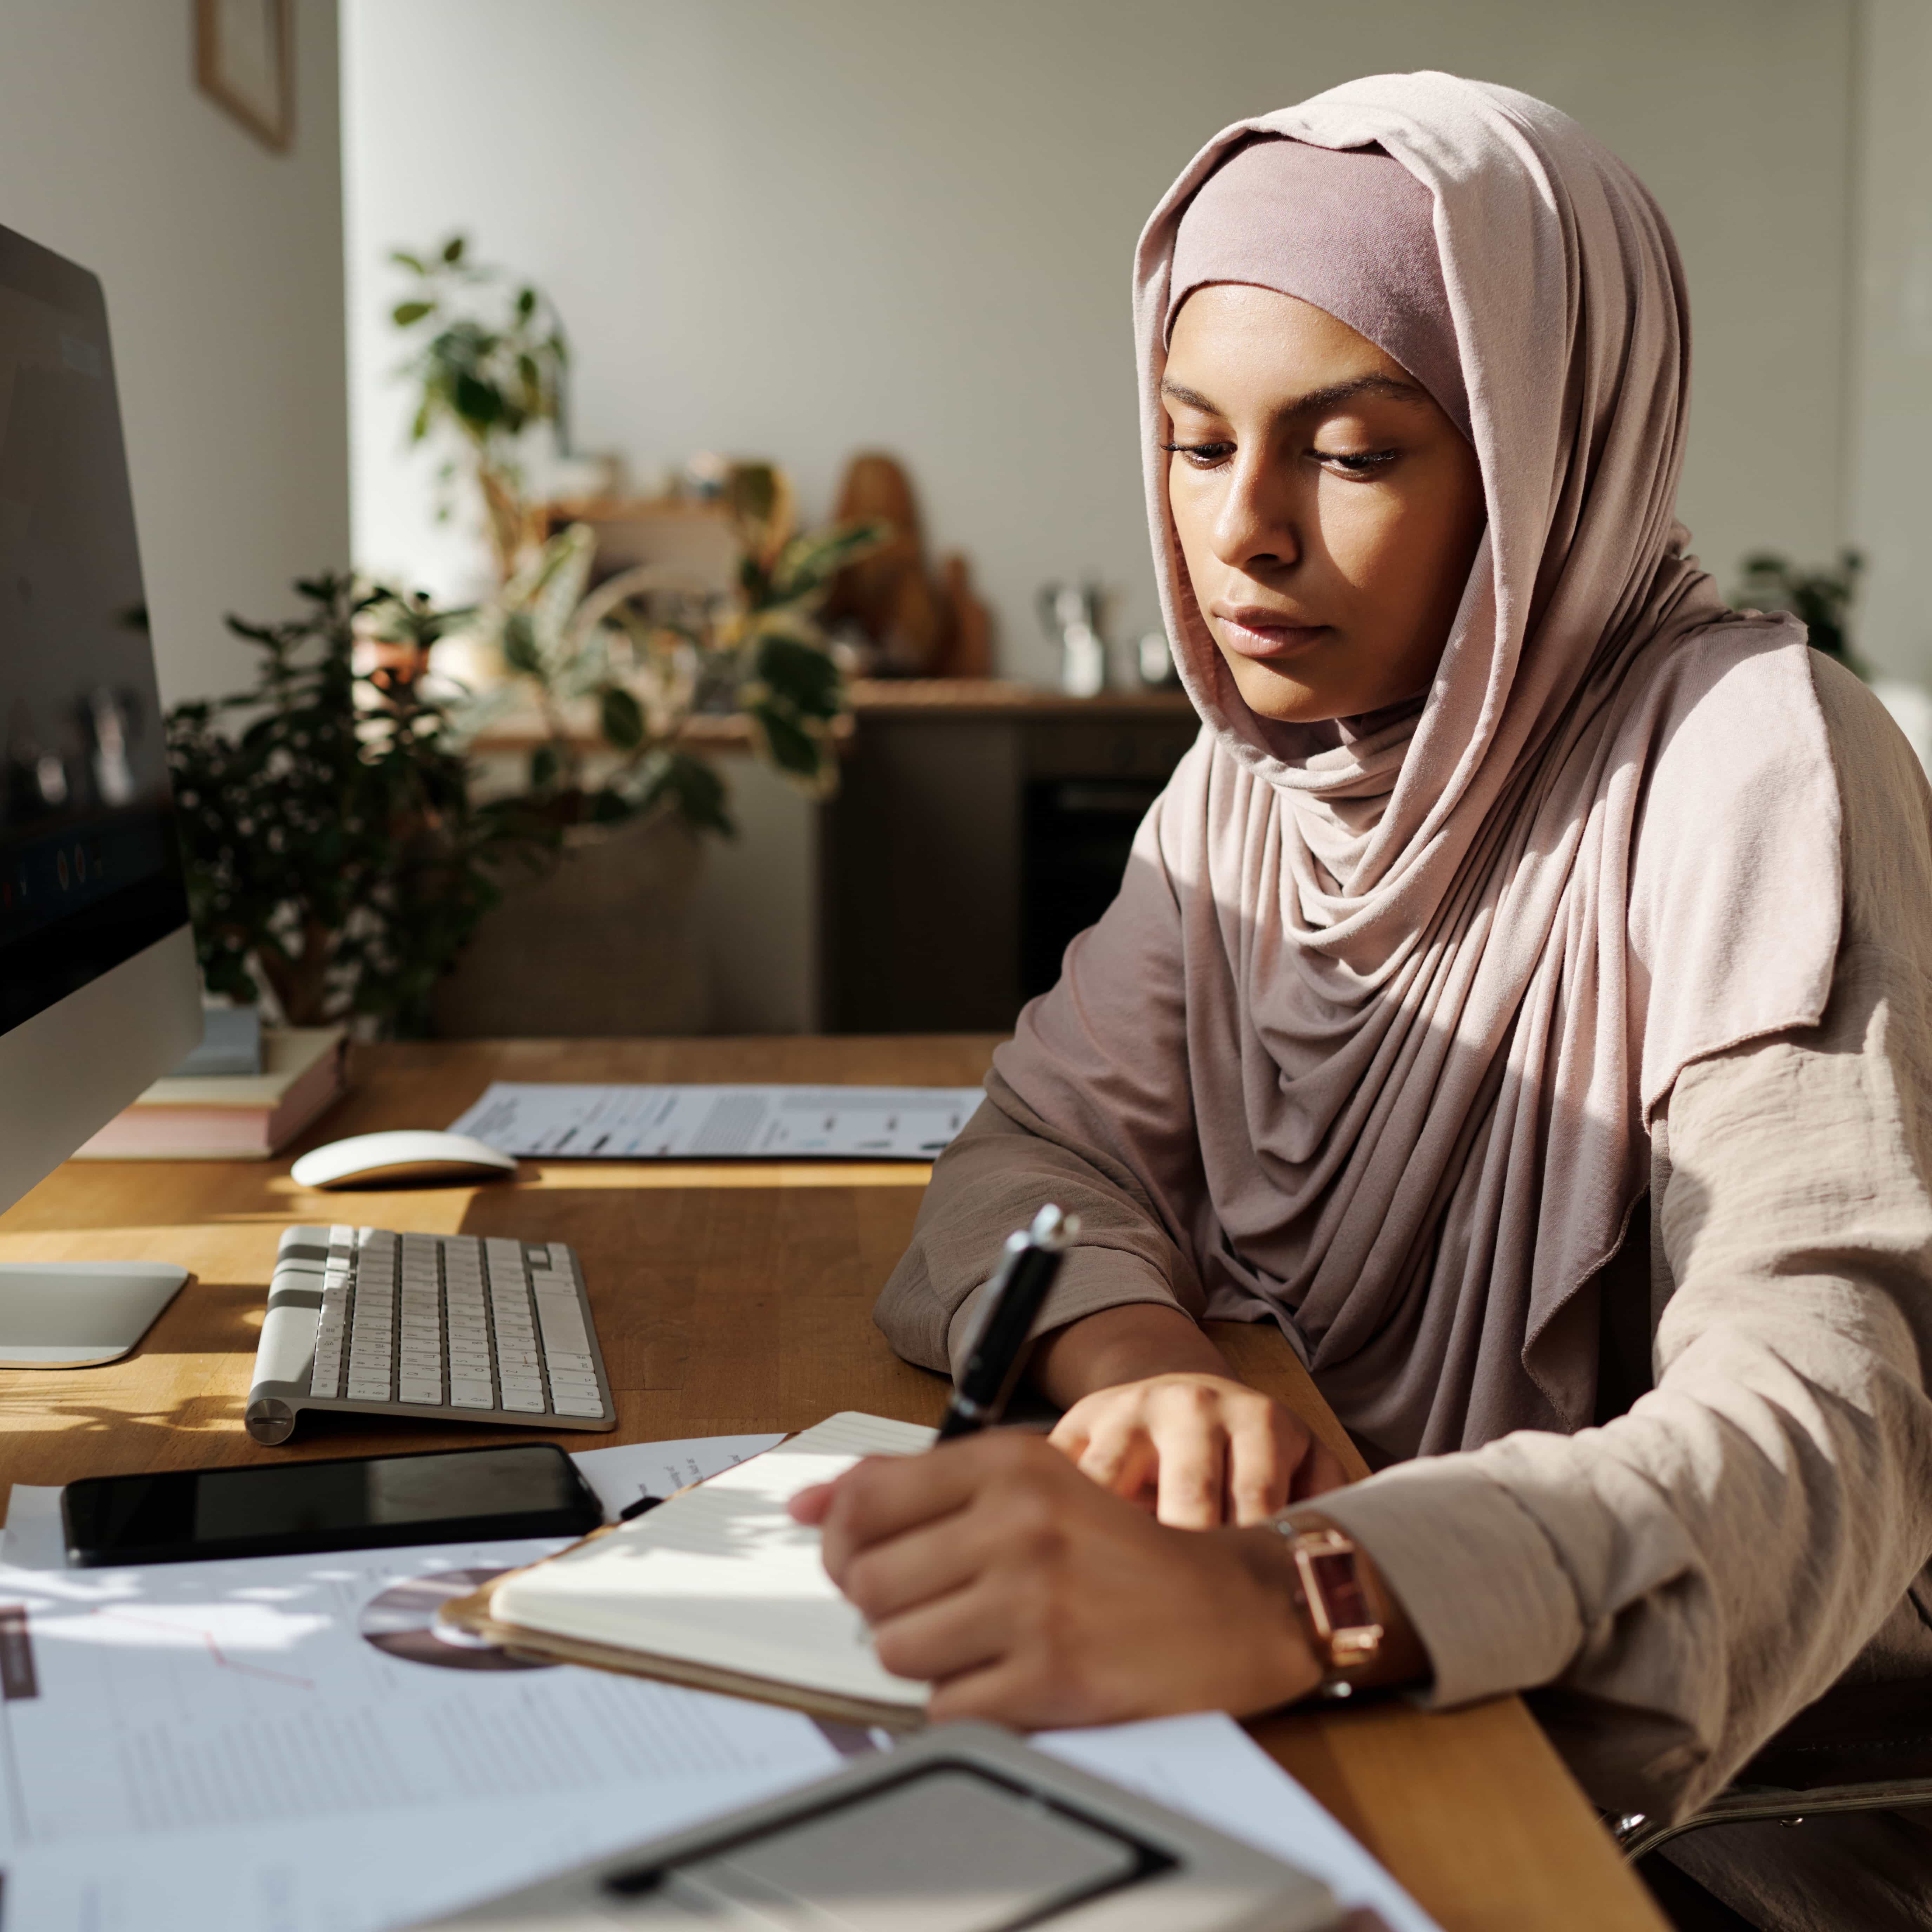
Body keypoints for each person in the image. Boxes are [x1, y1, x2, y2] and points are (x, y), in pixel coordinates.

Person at [787, 72, 1932, 1932]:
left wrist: (1293, 1590)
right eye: (1192, 440)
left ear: (1547, 451)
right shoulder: (1260, 784)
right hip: (1307, 1712)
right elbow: (1040, 1148)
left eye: (1355, 454)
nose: (1243, 536)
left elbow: (1828, 1418)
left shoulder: (1753, 761)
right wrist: (1141, 1363)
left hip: (1710, 1809)